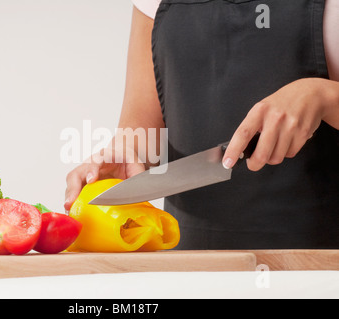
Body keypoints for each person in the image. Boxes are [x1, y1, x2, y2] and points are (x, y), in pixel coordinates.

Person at [65, 0, 339, 249]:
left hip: (320, 264)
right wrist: (126, 153)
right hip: (190, 264)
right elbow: (141, 128)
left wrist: (324, 96)